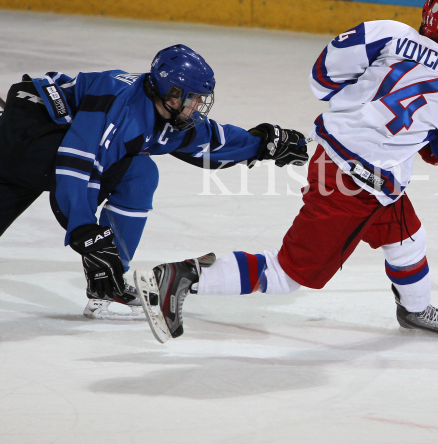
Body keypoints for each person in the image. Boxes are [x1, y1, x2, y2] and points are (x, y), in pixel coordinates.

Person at [137, 0, 438, 340]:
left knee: (408, 238)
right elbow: (437, 154)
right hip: (357, 185)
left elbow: (323, 77)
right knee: (286, 274)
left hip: (346, 165)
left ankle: (415, 310)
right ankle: (183, 277)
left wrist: (360, 105)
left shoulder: (389, 33)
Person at [0, 45, 308, 319]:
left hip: (48, 143)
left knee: (139, 173)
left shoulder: (163, 111)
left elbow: (208, 140)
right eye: (193, 100)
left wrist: (262, 143)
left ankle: (108, 279)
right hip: (29, 129)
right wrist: (84, 231)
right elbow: (76, 165)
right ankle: (103, 267)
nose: (198, 107)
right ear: (172, 93)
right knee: (123, 172)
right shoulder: (120, 110)